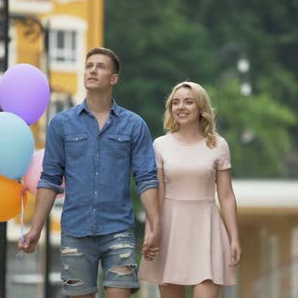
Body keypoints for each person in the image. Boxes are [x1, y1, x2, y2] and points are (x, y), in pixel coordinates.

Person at [18, 47, 161, 298]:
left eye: (101, 66)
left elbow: (146, 177)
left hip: (118, 230)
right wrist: (35, 228)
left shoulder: (134, 125)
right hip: (75, 231)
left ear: (113, 78)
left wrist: (155, 224)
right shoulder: (61, 124)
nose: (93, 70)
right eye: (89, 65)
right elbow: (49, 179)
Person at [138, 81, 241, 298]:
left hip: (207, 229)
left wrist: (234, 237)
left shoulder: (218, 145)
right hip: (170, 229)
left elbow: (226, 196)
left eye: (188, 102)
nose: (180, 107)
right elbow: (156, 196)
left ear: (201, 108)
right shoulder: (160, 145)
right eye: (175, 103)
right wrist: (151, 232)